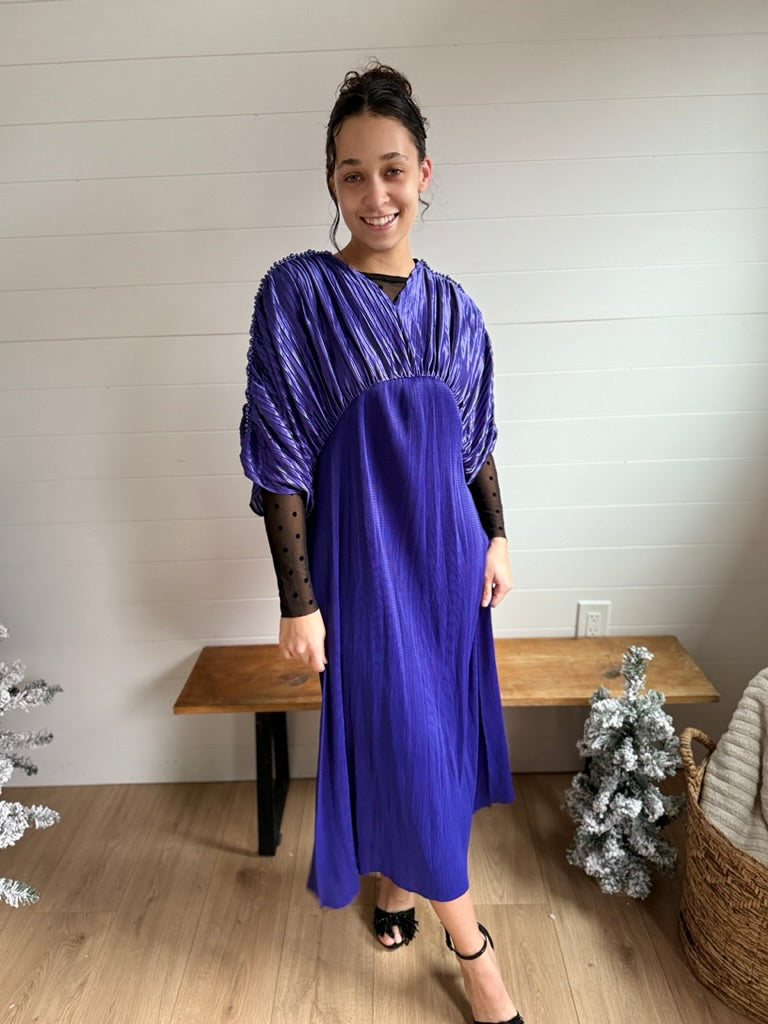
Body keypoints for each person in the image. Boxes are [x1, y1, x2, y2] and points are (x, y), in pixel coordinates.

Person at [240, 62, 524, 1024]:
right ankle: (476, 954)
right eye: (352, 173)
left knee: (432, 739)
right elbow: (279, 455)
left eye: (392, 170)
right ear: (331, 180)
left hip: (448, 563)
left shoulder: (456, 309)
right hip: (362, 571)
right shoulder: (298, 295)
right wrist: (298, 600)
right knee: (404, 733)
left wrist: (497, 536)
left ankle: (400, 885)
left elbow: (476, 439)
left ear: (424, 173)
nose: (375, 195)